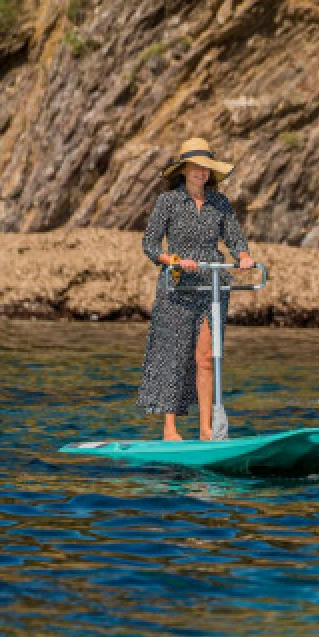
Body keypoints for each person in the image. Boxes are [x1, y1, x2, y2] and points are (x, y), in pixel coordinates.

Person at [137, 137, 255, 440]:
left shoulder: (220, 203)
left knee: (205, 358)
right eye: (196, 167)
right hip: (177, 286)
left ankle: (206, 429)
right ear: (184, 169)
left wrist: (242, 255)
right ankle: (170, 429)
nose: (201, 172)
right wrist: (173, 260)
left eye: (206, 168)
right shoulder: (168, 202)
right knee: (174, 355)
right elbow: (150, 244)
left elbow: (234, 238)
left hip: (211, 285)